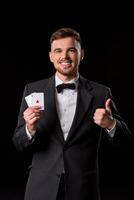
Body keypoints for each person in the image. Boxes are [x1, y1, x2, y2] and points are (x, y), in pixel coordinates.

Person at [13, 27, 132, 200]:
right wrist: (29, 129)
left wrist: (111, 124)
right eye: (58, 51)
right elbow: (18, 142)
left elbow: (126, 140)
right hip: (41, 187)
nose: (65, 57)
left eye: (71, 50)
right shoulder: (32, 90)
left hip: (83, 188)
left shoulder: (101, 93)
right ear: (51, 56)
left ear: (81, 54)